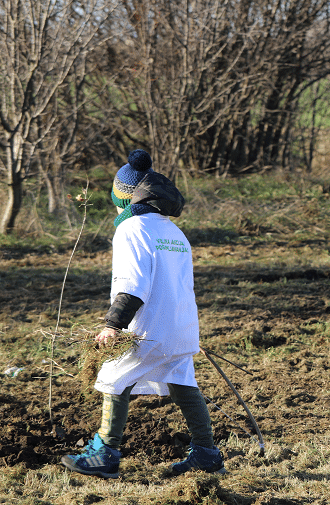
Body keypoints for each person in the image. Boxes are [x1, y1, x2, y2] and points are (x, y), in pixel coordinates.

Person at [62, 150, 225, 478]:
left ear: (123, 198)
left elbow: (132, 284)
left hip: (147, 329)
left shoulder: (131, 229)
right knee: (183, 383)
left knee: (113, 378)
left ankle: (104, 454)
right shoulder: (174, 232)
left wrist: (113, 325)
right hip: (181, 326)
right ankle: (207, 454)